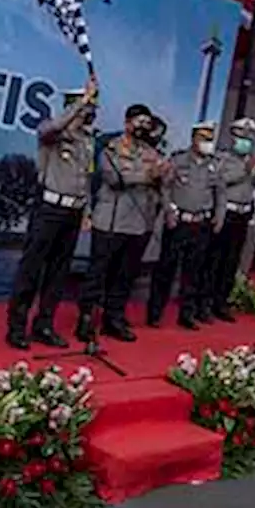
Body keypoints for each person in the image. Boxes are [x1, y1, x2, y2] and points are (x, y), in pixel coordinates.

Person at [7, 77, 98, 349]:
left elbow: (87, 177)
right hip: (49, 209)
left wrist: (87, 209)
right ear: (73, 106)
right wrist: (81, 100)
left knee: (58, 273)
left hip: (73, 211)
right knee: (31, 270)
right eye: (86, 106)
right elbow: (51, 128)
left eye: (92, 105)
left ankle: (44, 324)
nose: (90, 111)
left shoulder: (87, 141)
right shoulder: (53, 134)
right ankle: (16, 326)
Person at [75, 104, 168, 344]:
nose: (143, 127)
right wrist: (147, 176)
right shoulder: (110, 148)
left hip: (139, 224)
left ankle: (113, 318)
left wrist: (164, 177)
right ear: (127, 123)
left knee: (125, 276)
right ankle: (86, 317)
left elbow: (161, 183)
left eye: (147, 123)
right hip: (110, 221)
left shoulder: (152, 153)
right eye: (139, 122)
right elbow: (114, 178)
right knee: (98, 272)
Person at [147, 120, 225, 330]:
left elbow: (221, 194)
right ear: (194, 139)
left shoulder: (214, 164)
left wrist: (219, 216)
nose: (207, 143)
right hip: (178, 222)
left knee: (194, 272)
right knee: (166, 269)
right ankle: (155, 313)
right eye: (203, 138)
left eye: (210, 138)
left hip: (201, 224)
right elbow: (165, 188)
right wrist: (168, 212)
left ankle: (187, 314)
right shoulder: (178, 160)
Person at [208, 117, 255, 322]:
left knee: (232, 261)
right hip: (227, 212)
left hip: (244, 214)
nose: (247, 139)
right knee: (216, 259)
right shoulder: (223, 158)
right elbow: (221, 181)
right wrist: (246, 172)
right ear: (233, 136)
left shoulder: (251, 159)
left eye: (250, 136)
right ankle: (206, 301)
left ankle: (221, 301)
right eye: (243, 135)